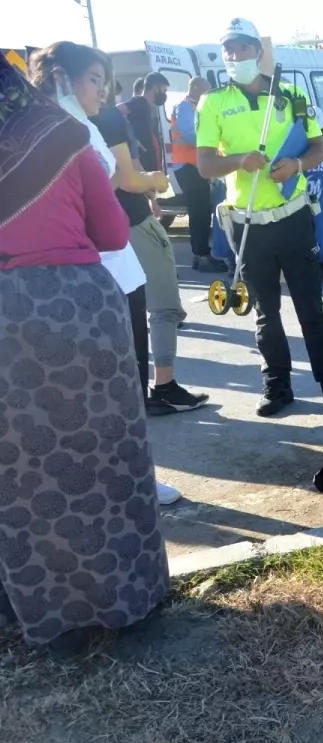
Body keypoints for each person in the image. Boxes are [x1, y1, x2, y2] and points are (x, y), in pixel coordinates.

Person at [0, 54, 171, 651]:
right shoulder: (64, 133)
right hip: (77, 311)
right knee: (107, 456)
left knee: (21, 468)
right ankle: (127, 600)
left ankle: (40, 612)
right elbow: (111, 234)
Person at [196, 18, 323, 416]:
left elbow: (318, 146)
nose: (233, 55)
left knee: (311, 307)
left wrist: (296, 165)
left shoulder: (291, 94)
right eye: (228, 49)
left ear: (257, 51)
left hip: (293, 217)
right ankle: (277, 386)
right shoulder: (212, 101)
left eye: (241, 48)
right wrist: (238, 161)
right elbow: (205, 165)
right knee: (266, 311)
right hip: (247, 225)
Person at [87, 70, 211, 416]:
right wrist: (154, 182)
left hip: (92, 233)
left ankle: (128, 393)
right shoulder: (111, 117)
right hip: (130, 224)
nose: (101, 89)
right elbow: (127, 176)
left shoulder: (63, 123)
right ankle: (165, 385)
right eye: (94, 78)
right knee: (164, 307)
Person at [171, 76, 226, 272]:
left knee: (201, 212)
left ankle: (202, 255)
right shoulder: (185, 106)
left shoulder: (194, 106)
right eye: (206, 90)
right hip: (188, 167)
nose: (208, 94)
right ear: (194, 88)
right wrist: (213, 144)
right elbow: (189, 133)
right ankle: (202, 257)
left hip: (192, 166)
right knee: (199, 212)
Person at [120, 71, 168, 175]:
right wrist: (130, 138)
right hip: (143, 163)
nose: (165, 94)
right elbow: (115, 111)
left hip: (148, 164)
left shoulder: (145, 106)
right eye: (164, 90)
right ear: (156, 89)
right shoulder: (139, 102)